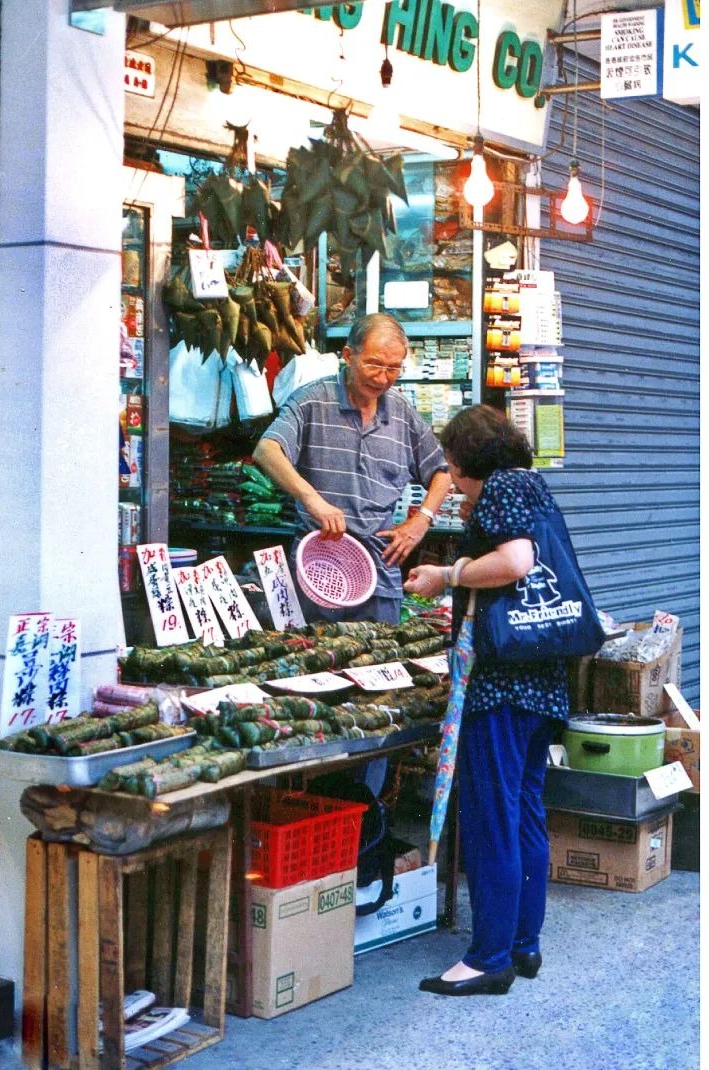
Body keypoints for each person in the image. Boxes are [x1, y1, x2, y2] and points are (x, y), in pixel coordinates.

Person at [404, 404, 569, 997]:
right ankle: (524, 943)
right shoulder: (531, 484)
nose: (451, 476)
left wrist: (446, 576)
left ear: (472, 461)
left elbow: (515, 562)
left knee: (492, 816)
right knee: (524, 810)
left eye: (452, 465)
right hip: (541, 678)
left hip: (500, 684)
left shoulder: (498, 489)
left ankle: (489, 957)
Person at [253, 312, 452, 625]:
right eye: (373, 364)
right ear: (348, 355)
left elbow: (442, 471)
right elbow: (267, 450)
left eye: (393, 368)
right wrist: (312, 499)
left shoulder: (400, 411)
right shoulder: (312, 401)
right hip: (317, 569)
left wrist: (421, 521)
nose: (382, 378)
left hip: (381, 573)